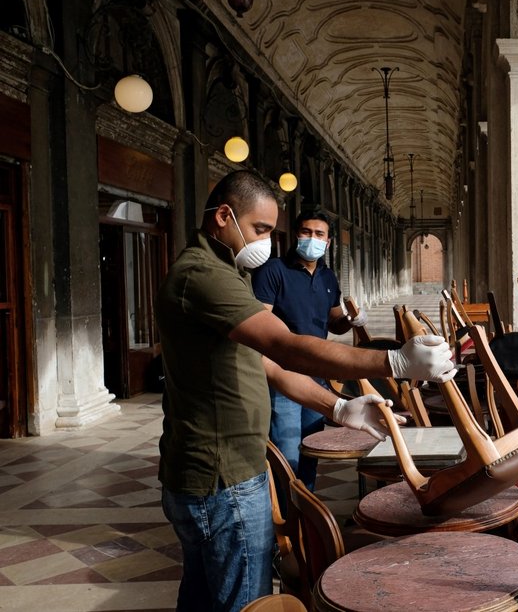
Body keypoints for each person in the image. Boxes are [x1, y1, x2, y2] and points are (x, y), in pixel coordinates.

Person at [155, 170, 456, 611]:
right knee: (244, 602)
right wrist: (392, 362)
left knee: (202, 597)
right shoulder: (202, 276)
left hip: (214, 471)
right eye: (260, 229)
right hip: (224, 477)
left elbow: (269, 366)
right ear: (224, 216)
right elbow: (286, 346)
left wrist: (338, 407)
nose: (266, 241)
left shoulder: (224, 271)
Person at [251, 210, 364, 490]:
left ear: (328, 242)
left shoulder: (328, 277)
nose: (311, 238)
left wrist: (350, 320)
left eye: (319, 234)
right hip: (283, 375)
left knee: (311, 449)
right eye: (306, 232)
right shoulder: (273, 270)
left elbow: (335, 321)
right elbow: (258, 326)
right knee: (287, 453)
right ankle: (286, 523)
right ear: (295, 235)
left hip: (317, 375)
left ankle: (307, 513)